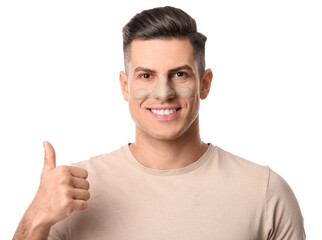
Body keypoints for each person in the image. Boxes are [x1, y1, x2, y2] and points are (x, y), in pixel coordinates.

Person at [13, 6, 305, 240]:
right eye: (146, 76)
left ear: (205, 83)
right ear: (125, 86)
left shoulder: (265, 192)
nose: (163, 93)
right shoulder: (74, 191)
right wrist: (36, 216)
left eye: (179, 74)